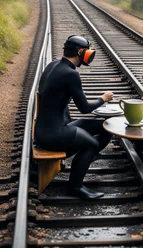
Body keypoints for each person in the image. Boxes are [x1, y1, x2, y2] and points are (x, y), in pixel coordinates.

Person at [34, 35, 114, 199]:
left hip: (45, 129)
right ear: (80, 52)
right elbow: (84, 108)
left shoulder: (53, 65)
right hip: (53, 135)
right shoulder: (71, 74)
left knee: (105, 126)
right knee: (91, 144)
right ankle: (75, 187)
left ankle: (85, 160)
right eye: (87, 51)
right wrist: (103, 99)